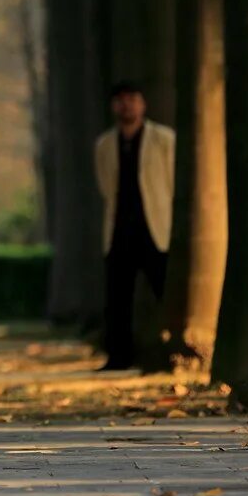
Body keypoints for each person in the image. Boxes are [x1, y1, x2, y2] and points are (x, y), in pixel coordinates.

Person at [94, 81, 175, 370]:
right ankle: (118, 356)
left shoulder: (165, 140)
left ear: (142, 104)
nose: (127, 105)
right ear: (114, 106)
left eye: (132, 99)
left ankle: (173, 350)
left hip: (156, 228)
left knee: (164, 290)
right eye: (121, 100)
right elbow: (106, 185)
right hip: (119, 230)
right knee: (117, 297)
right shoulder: (105, 144)